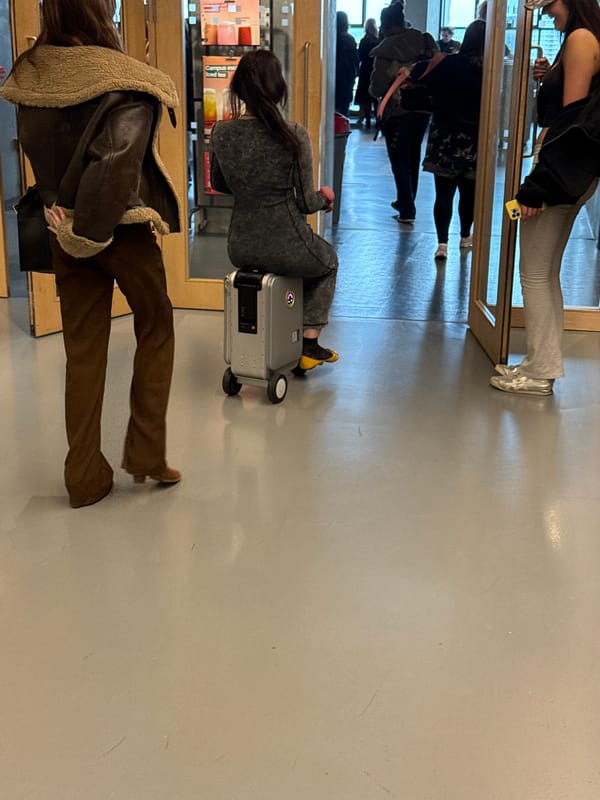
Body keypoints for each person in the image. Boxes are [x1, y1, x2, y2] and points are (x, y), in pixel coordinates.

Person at [0, 0, 182, 507]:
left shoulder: (29, 73)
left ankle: (83, 477)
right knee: (156, 326)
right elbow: (116, 164)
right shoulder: (126, 77)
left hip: (60, 228)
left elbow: (39, 150)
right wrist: (91, 231)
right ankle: (145, 455)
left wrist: (69, 227)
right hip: (119, 231)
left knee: (82, 351)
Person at [490, 0, 600, 396]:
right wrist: (547, 79)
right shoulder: (581, 38)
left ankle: (539, 372)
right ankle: (543, 363)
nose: (541, 9)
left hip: (560, 167)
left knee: (534, 271)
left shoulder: (581, 38)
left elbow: (570, 123)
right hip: (567, 167)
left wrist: (538, 183)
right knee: (545, 270)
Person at [210, 50, 339, 372]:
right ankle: (308, 342)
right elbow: (307, 203)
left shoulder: (222, 133)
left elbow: (221, 185)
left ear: (238, 89)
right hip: (286, 241)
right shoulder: (293, 134)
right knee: (326, 263)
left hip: (240, 245)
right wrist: (326, 197)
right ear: (278, 87)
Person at [411, 21, 485, 260]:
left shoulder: (447, 63)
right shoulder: (488, 70)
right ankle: (465, 236)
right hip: (475, 140)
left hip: (444, 137)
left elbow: (418, 75)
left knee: (443, 194)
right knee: (469, 193)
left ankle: (442, 243)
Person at [369, 3, 438, 224]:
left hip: (397, 110)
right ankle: (407, 200)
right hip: (423, 108)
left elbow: (377, 88)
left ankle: (407, 208)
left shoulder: (385, 50)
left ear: (385, 25)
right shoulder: (424, 41)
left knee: (398, 159)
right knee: (413, 155)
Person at [354, 18, 379, 128]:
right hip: (376, 69)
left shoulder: (364, 41)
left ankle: (367, 119)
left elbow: (360, 56)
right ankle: (379, 121)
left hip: (365, 71)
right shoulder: (378, 41)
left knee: (365, 98)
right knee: (375, 96)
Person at [335, 11, 360, 117]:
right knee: (343, 109)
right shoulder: (349, 39)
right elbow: (355, 59)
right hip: (346, 78)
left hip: (333, 77)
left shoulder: (331, 38)